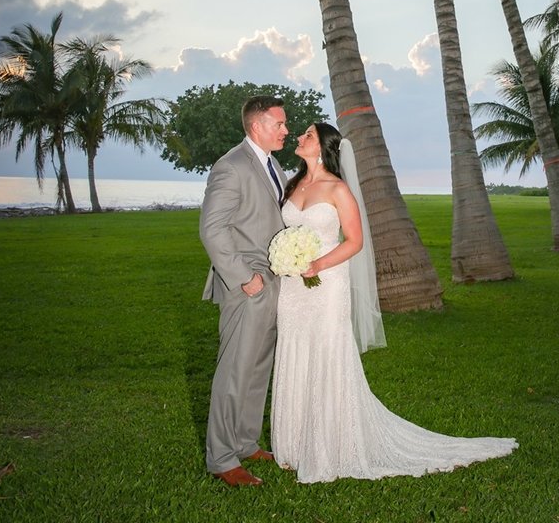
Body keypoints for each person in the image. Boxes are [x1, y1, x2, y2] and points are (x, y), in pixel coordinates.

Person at [271, 122, 518, 483]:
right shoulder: (292, 185)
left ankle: (328, 447)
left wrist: (317, 264)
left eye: (308, 134)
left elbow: (354, 241)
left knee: (325, 354)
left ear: (324, 147)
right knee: (295, 350)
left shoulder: (338, 189)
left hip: (327, 282)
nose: (299, 138)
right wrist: (288, 259)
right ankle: (293, 444)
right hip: (293, 287)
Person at [199, 95, 289, 487]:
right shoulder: (231, 166)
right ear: (257, 126)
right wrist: (244, 278)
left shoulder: (273, 164)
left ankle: (246, 442)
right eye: (280, 124)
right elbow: (212, 229)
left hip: (275, 282)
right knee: (234, 372)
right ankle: (221, 459)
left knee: (256, 369)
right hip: (247, 286)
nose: (286, 130)